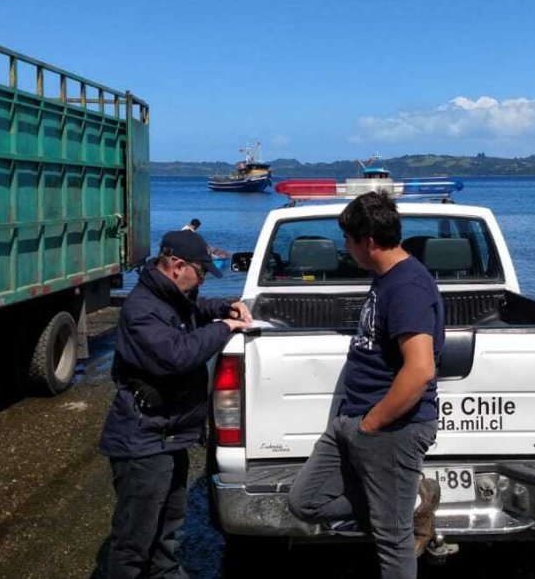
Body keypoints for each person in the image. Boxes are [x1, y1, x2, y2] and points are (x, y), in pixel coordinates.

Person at [288, 191, 445, 578]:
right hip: (352, 421)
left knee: (392, 539)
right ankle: (407, 500)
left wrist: (372, 424)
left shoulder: (408, 287)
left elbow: (420, 369)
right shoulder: (385, 278)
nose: (345, 247)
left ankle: (400, 506)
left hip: (390, 429)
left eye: (348, 239)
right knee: (304, 501)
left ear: (369, 241)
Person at [100, 229, 252, 579]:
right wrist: (224, 327)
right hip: (143, 441)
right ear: (178, 266)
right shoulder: (141, 310)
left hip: (169, 436)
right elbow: (175, 355)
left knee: (168, 530)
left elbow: (194, 309)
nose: (202, 280)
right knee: (134, 542)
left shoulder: (169, 296)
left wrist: (224, 307)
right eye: (200, 272)